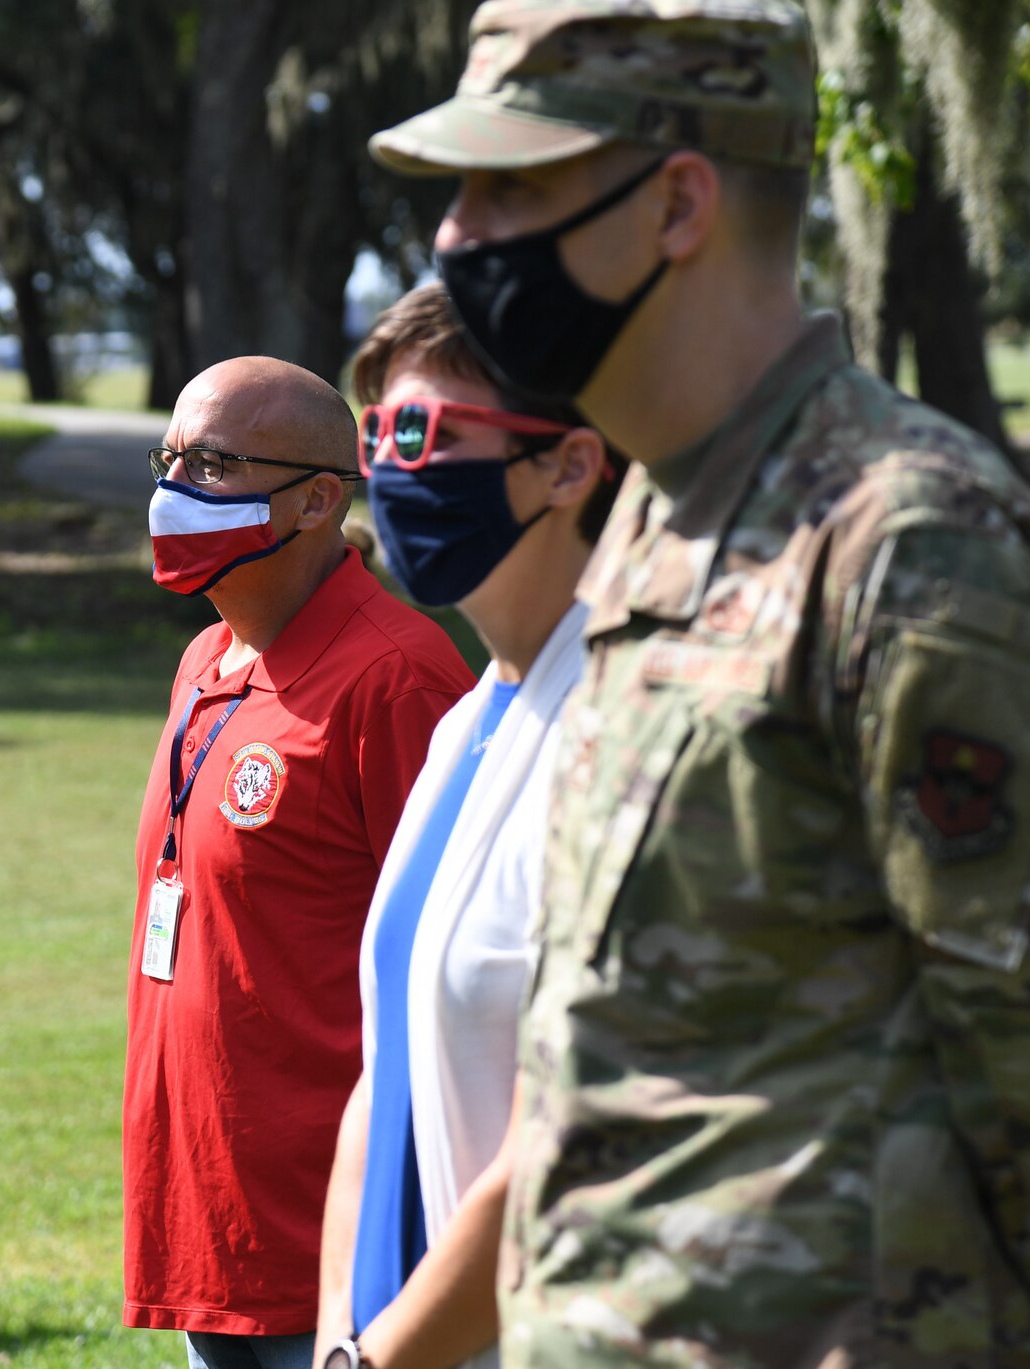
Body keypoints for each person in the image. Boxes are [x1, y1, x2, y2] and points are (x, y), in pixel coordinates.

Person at [359, 2, 1030, 1364]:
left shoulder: (905, 540)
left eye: (515, 184)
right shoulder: (652, 535)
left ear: (677, 202)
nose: (456, 236)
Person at [124, 355, 475, 1369]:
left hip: (339, 1248)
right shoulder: (202, 659)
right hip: (208, 1219)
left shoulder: (396, 676)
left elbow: (451, 971)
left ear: (319, 499)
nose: (175, 489)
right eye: (170, 457)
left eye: (215, 462)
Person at [310, 283, 621, 1369]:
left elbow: (557, 1145)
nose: (387, 468)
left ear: (570, 465)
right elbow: (381, 1073)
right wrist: (333, 1344)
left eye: (421, 431)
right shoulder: (459, 724)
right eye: (372, 433)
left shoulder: (616, 733)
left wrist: (374, 1361)